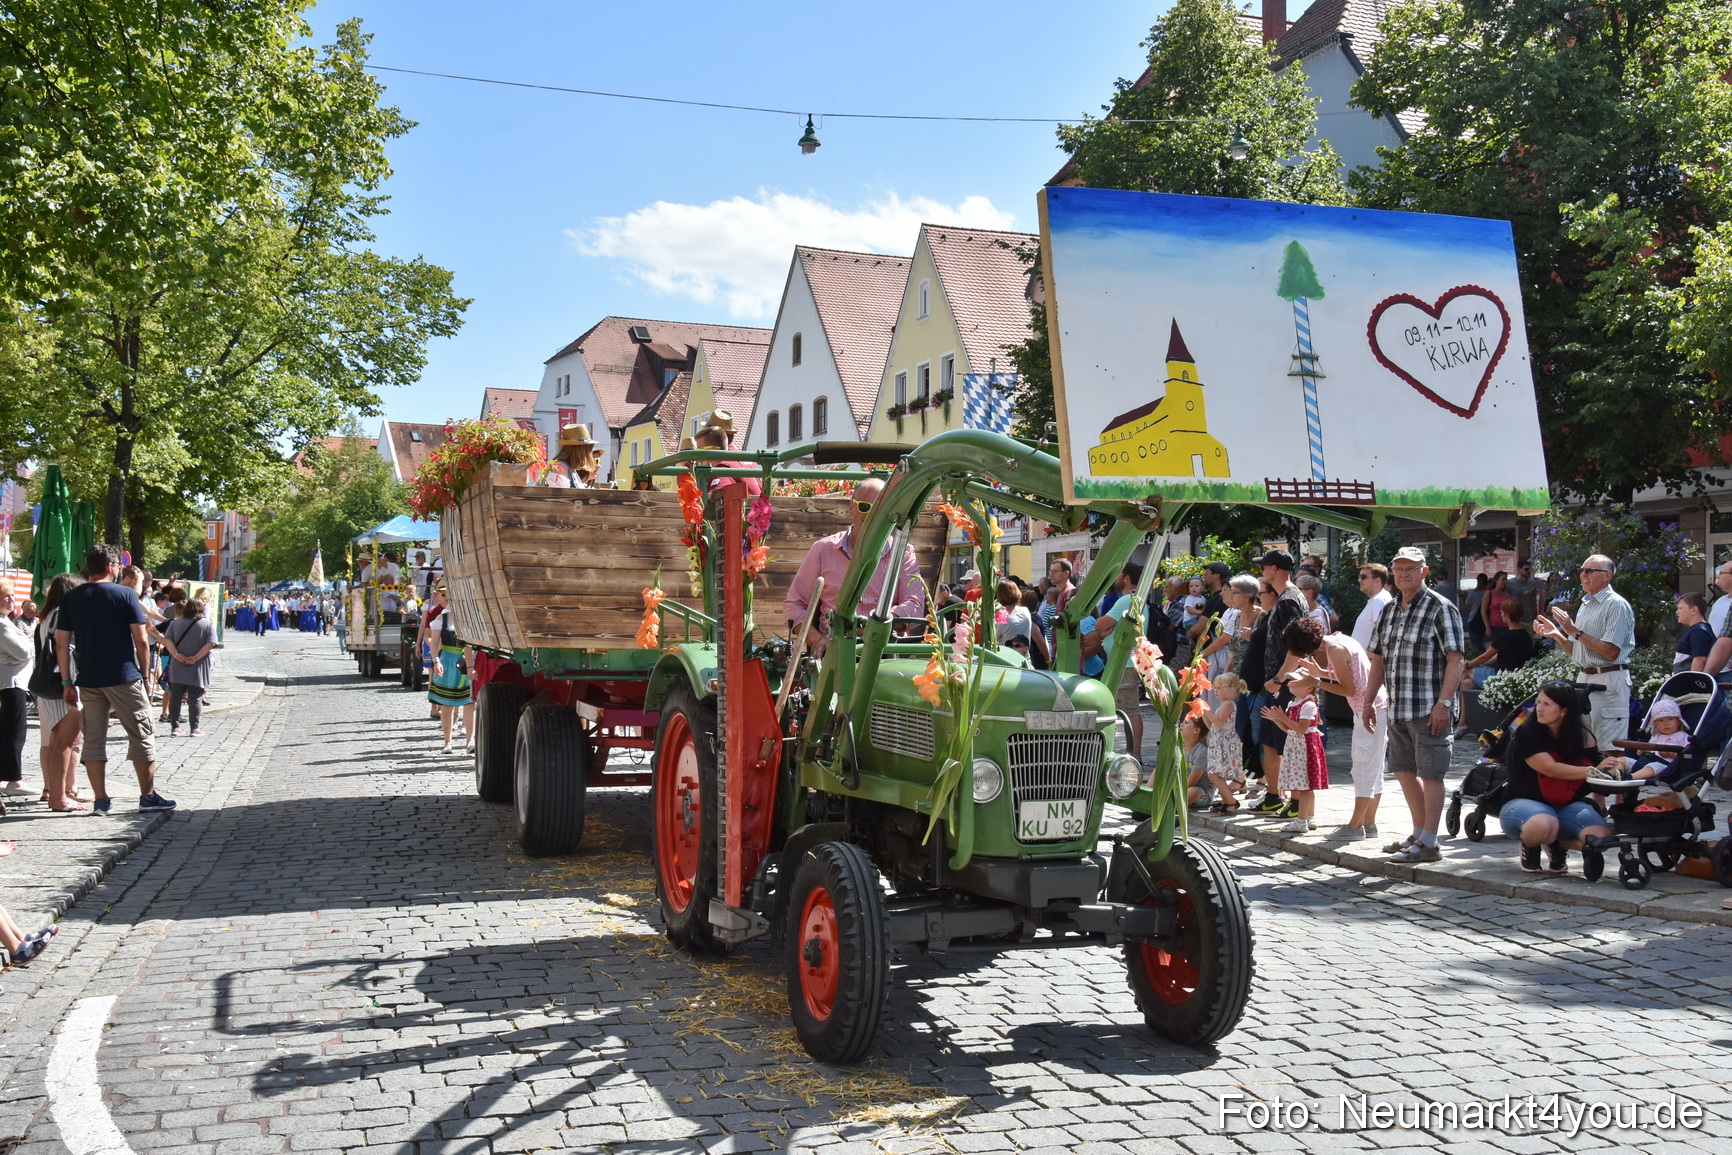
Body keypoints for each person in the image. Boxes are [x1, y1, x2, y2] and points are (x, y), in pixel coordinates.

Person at [1363, 545, 1465, 864]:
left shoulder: (1440, 607)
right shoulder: (1390, 610)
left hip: (1429, 706)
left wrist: (1444, 704)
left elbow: (1456, 659)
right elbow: (1378, 659)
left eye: (1412, 568)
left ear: (1425, 571)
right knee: (1405, 771)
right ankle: (1419, 834)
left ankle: (1431, 843)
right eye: (1399, 568)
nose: (1405, 573)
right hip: (1398, 707)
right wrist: (1368, 701)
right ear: (1392, 573)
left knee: (1431, 773)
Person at [55, 544, 175, 815]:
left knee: (94, 739)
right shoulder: (125, 595)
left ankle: (101, 800)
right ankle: (147, 796)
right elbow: (141, 638)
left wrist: (66, 682)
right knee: (141, 734)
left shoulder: (72, 597)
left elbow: (61, 644)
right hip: (123, 676)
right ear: (111, 566)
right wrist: (145, 675)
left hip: (88, 679)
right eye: (118, 565)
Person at [783, 478, 922, 657]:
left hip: (885, 651)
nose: (873, 515)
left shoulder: (902, 553)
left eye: (881, 508)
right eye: (865, 507)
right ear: (851, 508)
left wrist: (878, 623)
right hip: (835, 653)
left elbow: (914, 605)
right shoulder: (823, 550)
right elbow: (793, 605)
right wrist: (816, 640)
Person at [1500, 681, 1612, 874]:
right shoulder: (1527, 732)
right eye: (1538, 703)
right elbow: (1550, 769)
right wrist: (1591, 771)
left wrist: (1617, 767)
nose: (1539, 709)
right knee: (1544, 825)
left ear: (1564, 711)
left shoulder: (1583, 736)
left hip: (1566, 805)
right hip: (1523, 803)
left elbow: (1602, 770)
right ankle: (1530, 845)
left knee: (1601, 838)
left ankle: (1562, 846)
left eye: (1546, 704)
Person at [1293, 618, 1388, 841]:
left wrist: (1315, 681)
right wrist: (1321, 673)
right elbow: (1353, 674)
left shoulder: (1334, 649)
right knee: (1374, 768)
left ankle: (1355, 827)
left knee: (1364, 766)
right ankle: (1369, 823)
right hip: (1376, 707)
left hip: (1368, 710)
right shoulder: (1340, 638)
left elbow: (1349, 688)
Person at [1532, 553, 1634, 754]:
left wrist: (1574, 632)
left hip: (1609, 679)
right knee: (1585, 745)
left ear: (1607, 576)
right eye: (1582, 570)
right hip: (1584, 678)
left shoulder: (1616, 605)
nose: (1583, 575)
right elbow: (1576, 651)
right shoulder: (1586, 605)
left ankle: (1617, 783)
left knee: (1610, 748)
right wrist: (1557, 635)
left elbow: (1611, 651)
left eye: (1589, 570)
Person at [1262, 619, 1328, 834]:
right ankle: (1308, 817)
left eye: (1294, 682)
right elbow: (1290, 730)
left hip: (1306, 748)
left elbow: (1301, 729)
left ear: (1309, 687)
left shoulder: (1308, 704)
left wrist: (1283, 717)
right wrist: (1277, 719)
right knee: (1302, 783)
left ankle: (1304, 819)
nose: (1289, 684)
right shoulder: (1293, 702)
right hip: (1296, 747)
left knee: (1305, 785)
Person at [30, 574, 88, 810]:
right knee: (65, 741)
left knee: (57, 741)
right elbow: (65, 650)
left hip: (50, 684)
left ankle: (57, 794)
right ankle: (59, 797)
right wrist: (70, 683)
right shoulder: (62, 616)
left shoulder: (47, 616)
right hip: (64, 684)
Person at [1254, 550, 1307, 801]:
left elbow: (1296, 646)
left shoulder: (1288, 600)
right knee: (1270, 742)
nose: (1262, 572)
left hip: (1285, 684)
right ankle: (1273, 795)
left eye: (1264, 567)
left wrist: (1279, 679)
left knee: (1287, 744)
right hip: (1278, 683)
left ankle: (1294, 802)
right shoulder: (1287, 597)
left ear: (1274, 569)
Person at [1080, 565, 1146, 756]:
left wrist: (1103, 629)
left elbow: (1099, 624)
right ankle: (1133, 754)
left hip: (1124, 664)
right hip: (1125, 662)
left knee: (1129, 710)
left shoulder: (1127, 599)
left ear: (1126, 579)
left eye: (1118, 575)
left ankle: (1134, 755)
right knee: (1125, 708)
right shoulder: (1135, 599)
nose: (1115, 579)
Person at [424, 587, 474, 754]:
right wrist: (436, 661)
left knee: (470, 702)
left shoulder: (469, 618)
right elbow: (434, 642)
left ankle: (470, 740)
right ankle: (448, 741)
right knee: (446, 704)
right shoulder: (441, 618)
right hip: (448, 660)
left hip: (466, 660)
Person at [163, 598, 216, 737]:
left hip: (178, 665)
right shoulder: (207, 624)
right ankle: (195, 728)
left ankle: (175, 727)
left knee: (175, 697)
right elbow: (210, 643)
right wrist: (195, 657)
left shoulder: (175, 623)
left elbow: (167, 640)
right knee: (196, 697)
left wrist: (176, 654)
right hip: (198, 666)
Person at [0, 588, 33, 801]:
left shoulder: (6, 620)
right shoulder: (2, 624)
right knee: (14, 731)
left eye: (12, 596)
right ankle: (14, 779)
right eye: (5, 596)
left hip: (15, 681)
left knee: (14, 731)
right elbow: (22, 651)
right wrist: (30, 644)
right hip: (11, 682)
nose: (11, 599)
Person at [1464, 600, 1535, 689]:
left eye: (1502, 613)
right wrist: (1480, 665)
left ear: (1507, 615)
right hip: (1518, 677)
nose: (1501, 615)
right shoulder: (1526, 635)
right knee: (1467, 682)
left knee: (1465, 671)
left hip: (1500, 677)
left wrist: (1467, 665)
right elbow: (1496, 656)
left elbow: (1485, 657)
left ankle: (1455, 700)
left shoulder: (1504, 637)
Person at [1204, 672, 1246, 813]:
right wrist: (1203, 712)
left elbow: (1218, 721)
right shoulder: (1223, 705)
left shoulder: (1228, 704)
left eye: (1219, 688)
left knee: (1214, 774)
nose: (1215, 691)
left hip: (1226, 744)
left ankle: (1231, 802)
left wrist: (1206, 709)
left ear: (1229, 690)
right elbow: (1212, 726)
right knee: (1215, 773)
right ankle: (1226, 800)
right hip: (1218, 742)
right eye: (1215, 688)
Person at [544, 423, 608, 488]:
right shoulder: (561, 467)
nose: (589, 453)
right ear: (581, 450)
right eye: (588, 449)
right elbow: (560, 496)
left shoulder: (570, 468)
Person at [1351, 563, 1394, 650]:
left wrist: (1373, 659)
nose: (1359, 580)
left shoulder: (1379, 600)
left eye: (1363, 576)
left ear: (1377, 581)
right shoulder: (1377, 599)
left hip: (1369, 661)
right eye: (1359, 576)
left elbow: (1383, 634)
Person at [1672, 592, 1715, 673]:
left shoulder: (1699, 631)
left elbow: (1700, 659)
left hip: (1691, 681)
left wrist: (1693, 682)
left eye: (1680, 608)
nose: (1677, 612)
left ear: (1694, 610)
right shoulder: (1699, 629)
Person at [994, 579, 1032, 648]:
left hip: (1006, 657)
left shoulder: (1002, 617)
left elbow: (993, 638)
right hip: (1024, 656)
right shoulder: (1025, 611)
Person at [1480, 570, 1510, 639]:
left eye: (1506, 580)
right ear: (1496, 580)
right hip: (1493, 626)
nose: (1504, 582)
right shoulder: (1489, 594)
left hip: (1505, 626)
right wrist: (1487, 627)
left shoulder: (1507, 596)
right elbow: (1483, 611)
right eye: (1502, 579)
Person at [1463, 573, 1488, 646]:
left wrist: (1460, 596)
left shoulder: (1473, 592)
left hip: (1473, 619)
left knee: (1475, 644)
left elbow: (1466, 606)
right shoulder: (1489, 592)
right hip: (1485, 619)